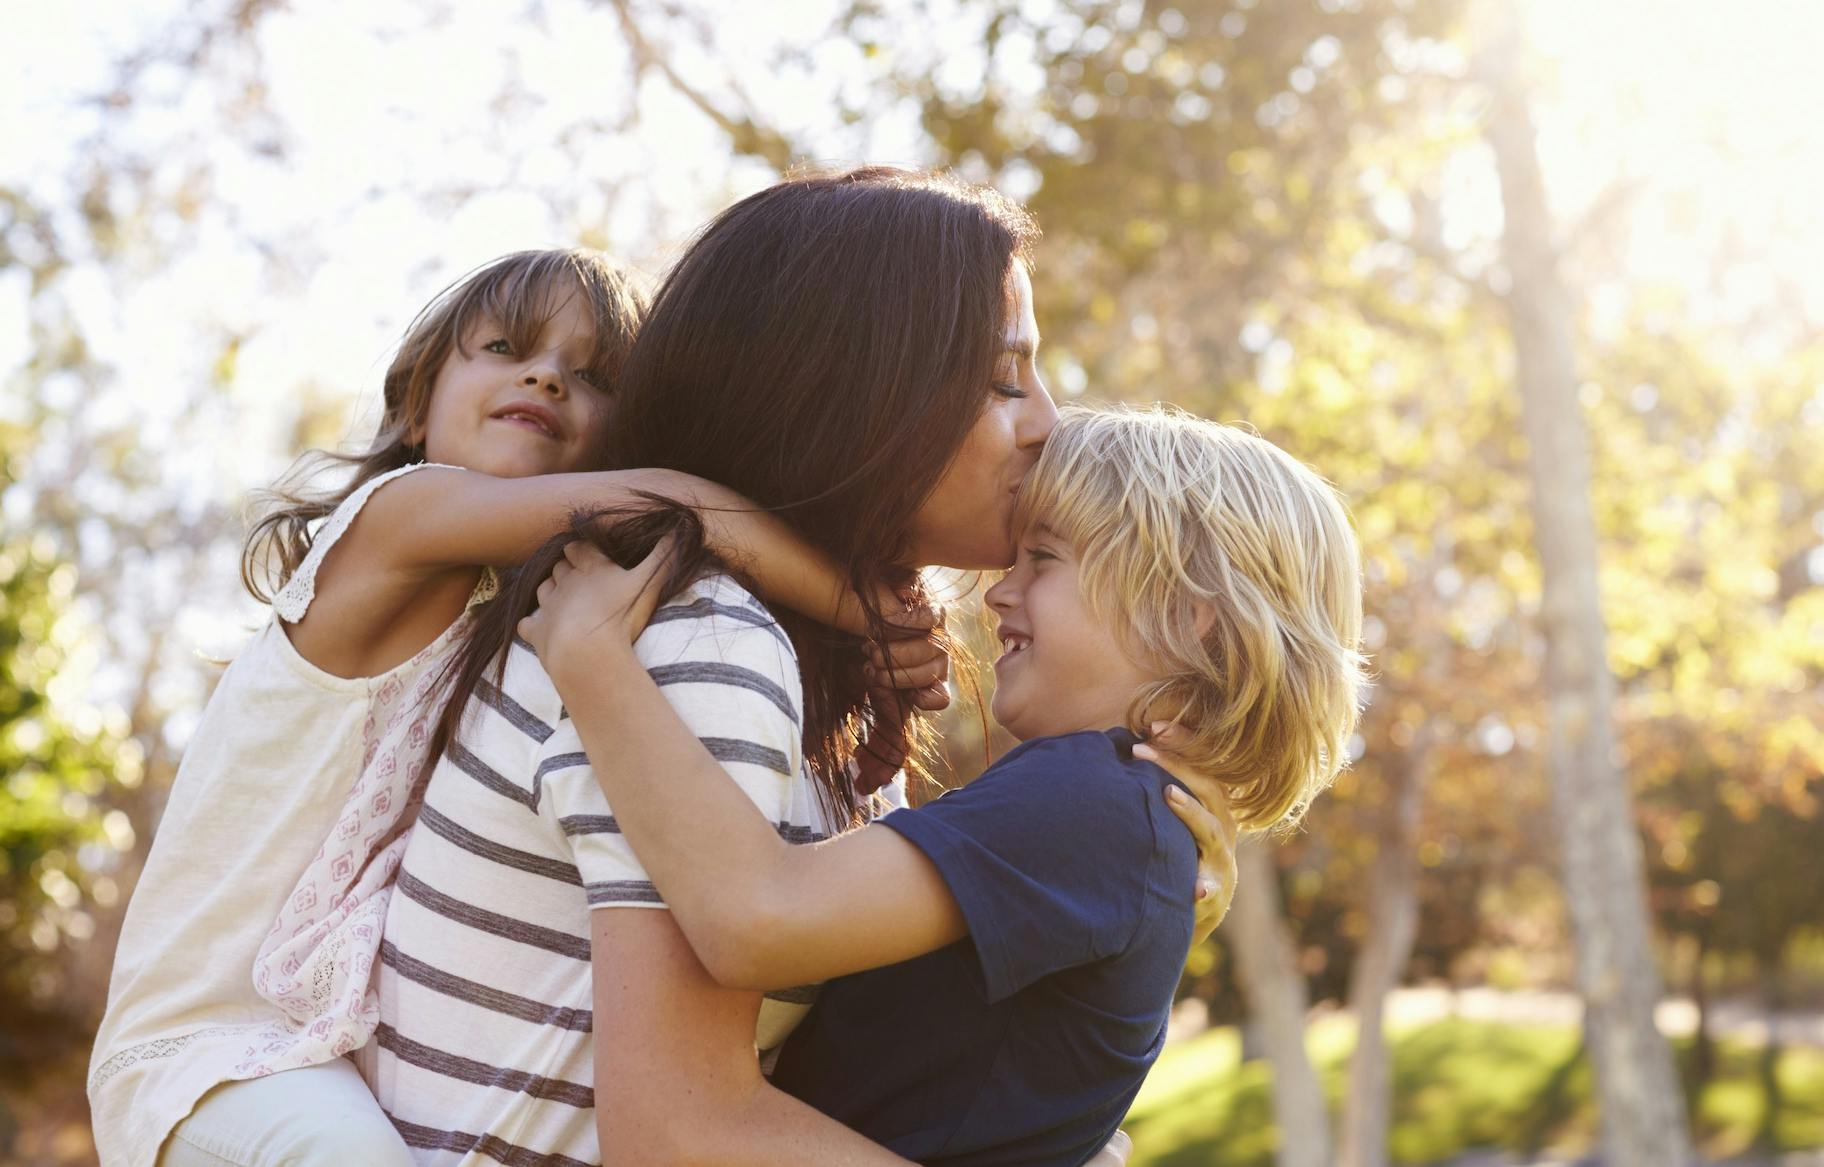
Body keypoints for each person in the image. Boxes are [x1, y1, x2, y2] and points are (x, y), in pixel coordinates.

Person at [366, 168, 1239, 1166]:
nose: (1047, 420)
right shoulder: (700, 645)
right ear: (854, 394)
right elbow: (681, 1134)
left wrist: (1112, 903)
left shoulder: (790, 663)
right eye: (1003, 380)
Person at [86, 248, 926, 1167]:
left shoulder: (520, 609)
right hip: (207, 1053)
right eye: (504, 346)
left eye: (593, 376)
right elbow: (683, 507)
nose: (546, 377)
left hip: (322, 1041)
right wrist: (869, 617)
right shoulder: (392, 521)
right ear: (414, 403)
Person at [526, 403, 1365, 1165]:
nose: (1001, 590)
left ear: (1187, 615)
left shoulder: (1093, 800)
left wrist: (592, 658)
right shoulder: (1124, 822)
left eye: (1043, 558)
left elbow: (756, 916)